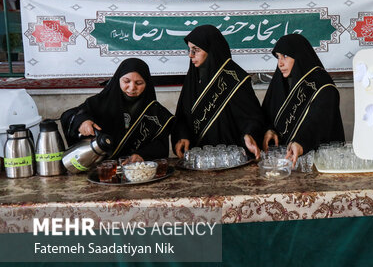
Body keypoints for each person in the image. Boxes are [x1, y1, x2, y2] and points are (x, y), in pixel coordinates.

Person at [171, 25, 265, 159]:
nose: (190, 55)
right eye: (189, 50)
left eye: (196, 50)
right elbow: (183, 117)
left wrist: (249, 135)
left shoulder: (235, 79)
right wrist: (182, 136)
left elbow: (252, 118)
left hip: (232, 160)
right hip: (200, 161)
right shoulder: (193, 79)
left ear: (211, 50)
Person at [60, 58, 174, 163]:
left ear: (147, 84)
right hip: (101, 170)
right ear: (118, 79)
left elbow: (161, 146)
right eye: (126, 81)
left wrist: (142, 155)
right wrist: (82, 121)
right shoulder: (99, 102)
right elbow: (68, 115)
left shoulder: (155, 112)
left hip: (136, 171)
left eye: (139, 83)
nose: (132, 87)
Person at [262, 34, 345, 166]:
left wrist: (301, 142)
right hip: (283, 163)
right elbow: (267, 112)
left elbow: (319, 121)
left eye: (285, 56)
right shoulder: (280, 82)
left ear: (299, 56)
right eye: (278, 57)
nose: (280, 63)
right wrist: (269, 129)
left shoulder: (322, 85)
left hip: (316, 162)